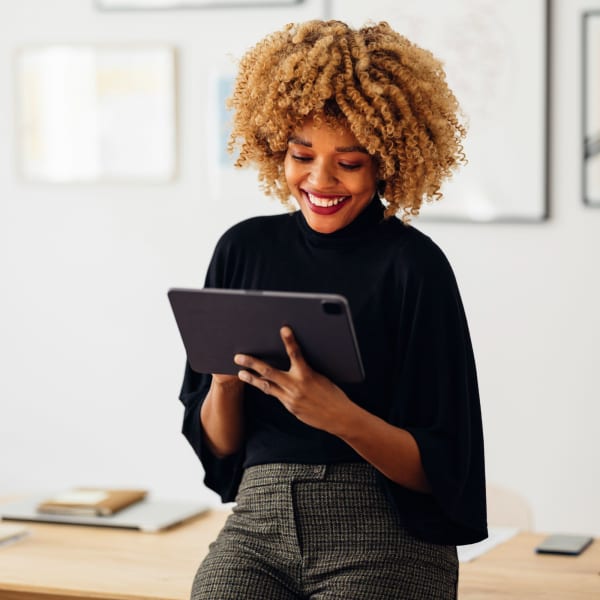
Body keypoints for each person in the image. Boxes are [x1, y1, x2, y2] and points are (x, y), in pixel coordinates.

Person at [179, 19, 487, 600]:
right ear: (276, 149)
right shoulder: (242, 249)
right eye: (302, 155)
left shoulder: (414, 267)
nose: (320, 180)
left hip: (384, 533)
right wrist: (223, 385)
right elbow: (219, 451)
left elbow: (445, 468)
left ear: (387, 161)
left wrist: (335, 414)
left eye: (348, 163)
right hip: (256, 527)